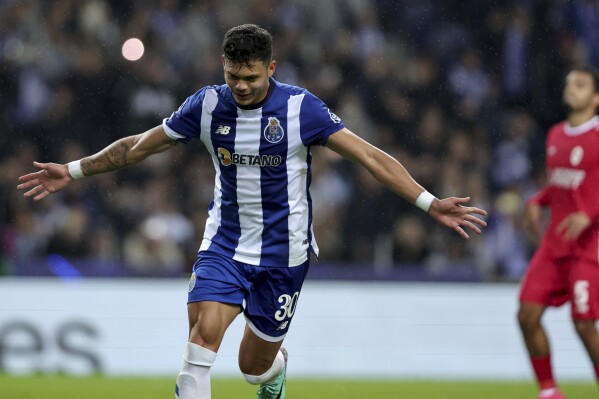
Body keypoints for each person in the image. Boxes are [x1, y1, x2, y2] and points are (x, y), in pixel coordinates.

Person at [17, 24, 487, 399]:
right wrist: (74, 171)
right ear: (223, 67)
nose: (241, 87)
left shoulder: (302, 109)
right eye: (233, 77)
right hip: (224, 243)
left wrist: (429, 202)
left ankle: (276, 371)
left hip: (284, 256)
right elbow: (137, 148)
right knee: (200, 342)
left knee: (252, 368)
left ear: (271, 68)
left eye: (251, 78)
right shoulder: (206, 106)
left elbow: (370, 157)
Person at [518, 65, 599, 399]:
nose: (571, 88)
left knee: (583, 323)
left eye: (580, 85)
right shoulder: (555, 134)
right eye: (569, 83)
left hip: (588, 248)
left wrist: (590, 214)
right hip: (554, 246)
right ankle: (549, 391)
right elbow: (560, 185)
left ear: (596, 98)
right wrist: (538, 200)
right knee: (526, 315)